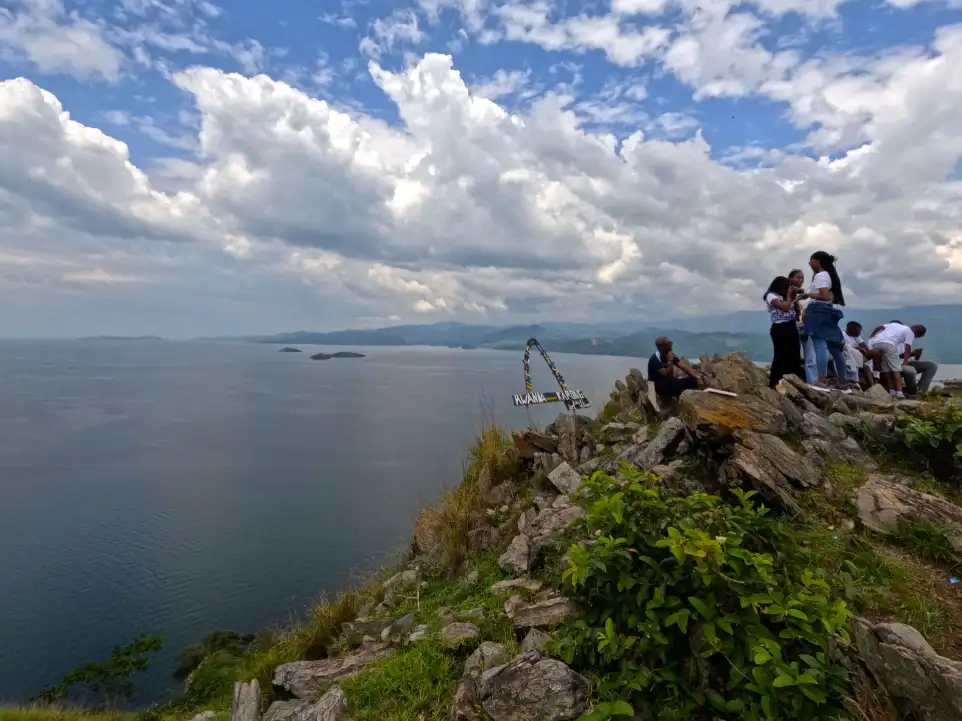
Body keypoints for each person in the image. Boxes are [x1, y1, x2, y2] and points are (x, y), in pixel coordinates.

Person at [797, 251, 849, 387]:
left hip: (817, 312)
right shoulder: (828, 275)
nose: (809, 263)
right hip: (828, 312)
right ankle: (843, 381)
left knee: (820, 347)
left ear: (818, 261)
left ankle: (821, 380)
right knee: (835, 348)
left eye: (811, 261)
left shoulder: (820, 276)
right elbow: (829, 298)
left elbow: (825, 296)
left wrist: (808, 294)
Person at [868, 322, 927, 398]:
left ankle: (891, 391)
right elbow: (907, 349)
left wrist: (872, 336)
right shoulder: (911, 332)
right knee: (896, 369)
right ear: (917, 333)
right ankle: (899, 392)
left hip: (876, 343)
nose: (916, 337)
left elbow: (878, 327)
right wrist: (905, 363)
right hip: (889, 344)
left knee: (886, 368)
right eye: (918, 336)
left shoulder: (894, 325)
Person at [764, 276, 804, 388]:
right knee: (781, 355)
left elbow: (795, 312)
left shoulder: (785, 296)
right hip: (780, 327)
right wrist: (789, 294)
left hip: (791, 326)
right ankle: (775, 381)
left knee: (794, 354)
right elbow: (785, 307)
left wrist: (794, 296)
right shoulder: (771, 296)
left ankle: (793, 380)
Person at [790, 269, 817, 384]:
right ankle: (792, 379)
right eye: (798, 277)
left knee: (810, 356)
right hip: (792, 327)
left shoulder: (805, 295)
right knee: (792, 354)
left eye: (802, 278)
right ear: (791, 278)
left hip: (806, 327)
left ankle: (813, 382)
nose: (800, 280)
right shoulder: (786, 292)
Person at [842, 322, 879, 388]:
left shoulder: (856, 336)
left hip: (859, 355)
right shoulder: (843, 335)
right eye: (858, 331)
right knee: (866, 367)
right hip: (849, 357)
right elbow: (845, 348)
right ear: (851, 330)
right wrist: (858, 348)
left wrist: (864, 350)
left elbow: (864, 345)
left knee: (875, 352)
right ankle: (861, 383)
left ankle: (876, 375)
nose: (859, 333)